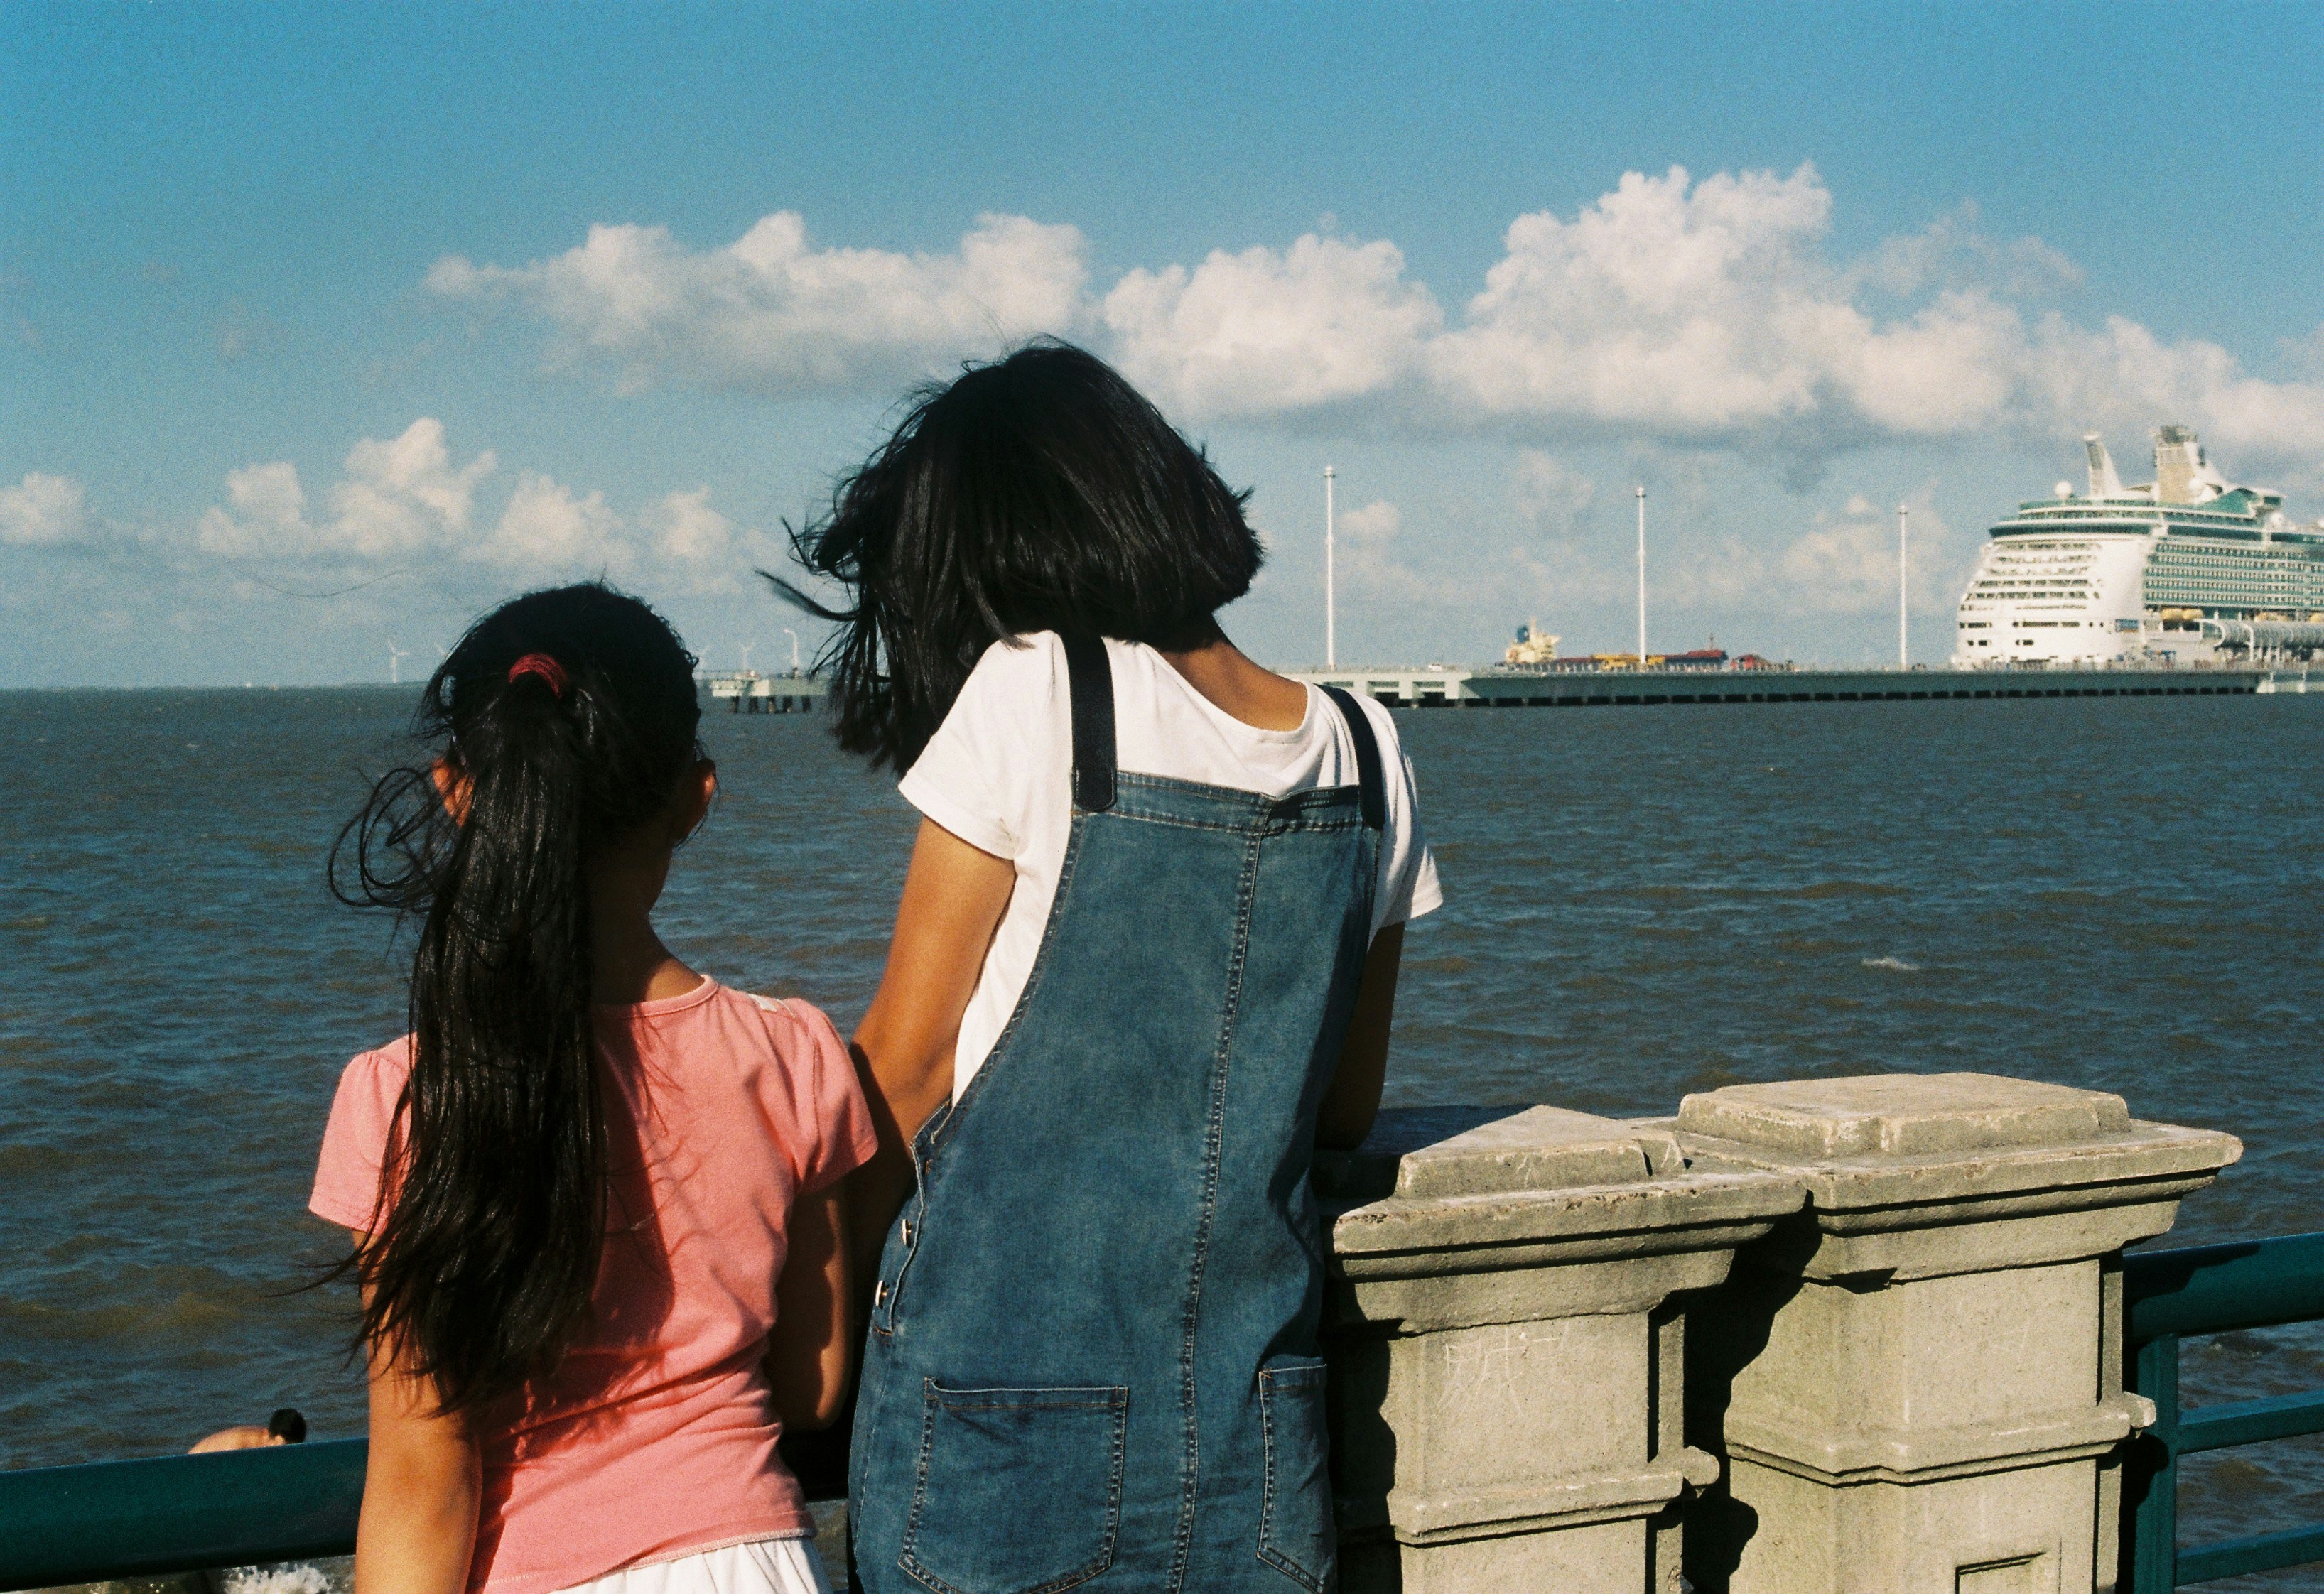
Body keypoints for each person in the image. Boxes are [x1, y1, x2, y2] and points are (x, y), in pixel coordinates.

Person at [781, 343, 1440, 1592]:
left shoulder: (1035, 690)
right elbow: (1342, 1105)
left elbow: (904, 1070)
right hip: (1257, 1422)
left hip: (996, 1426)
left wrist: (817, 1327)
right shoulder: (1369, 747)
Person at [310, 583, 875, 1594]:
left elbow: (424, 1481)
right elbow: (812, 1385)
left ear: (456, 790)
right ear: (695, 798)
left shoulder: (402, 1101)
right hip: (754, 1564)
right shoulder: (793, 1053)